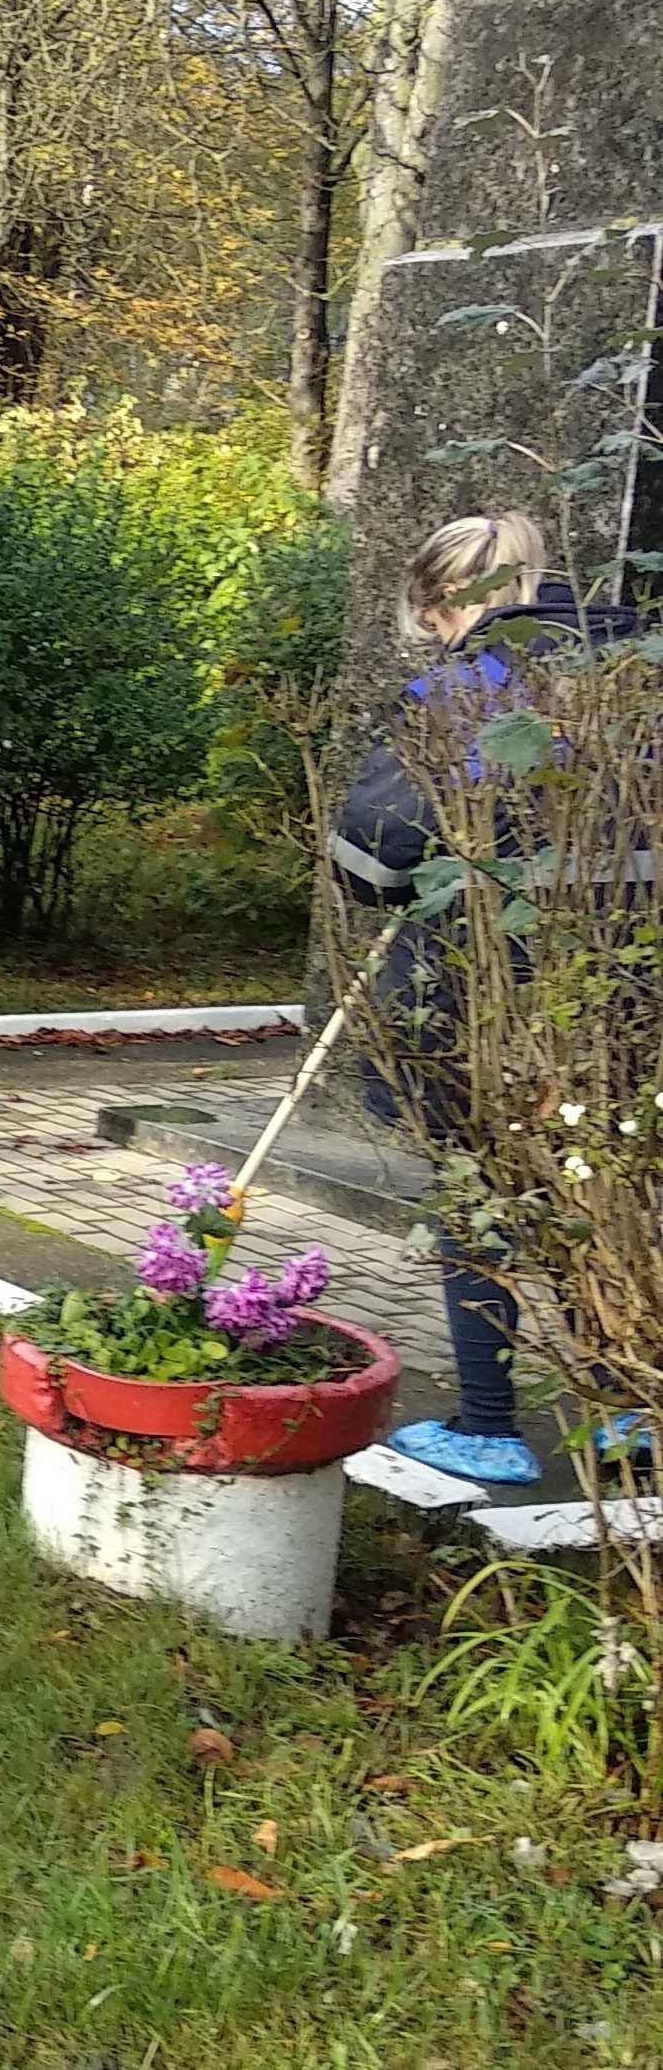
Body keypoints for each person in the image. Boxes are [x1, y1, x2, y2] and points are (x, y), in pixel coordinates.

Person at [333, 509, 631, 1486]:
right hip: (620, 993)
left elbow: (370, 856)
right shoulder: (635, 675)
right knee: (599, 1189)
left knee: (478, 1198)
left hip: (481, 993)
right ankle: (626, 1410)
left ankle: (488, 1427)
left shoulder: (461, 691)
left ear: (438, 600)